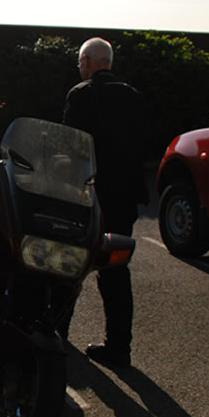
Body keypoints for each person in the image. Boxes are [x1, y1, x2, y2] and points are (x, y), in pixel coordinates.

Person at [63, 37, 148, 368]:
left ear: (87, 62)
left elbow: (72, 148)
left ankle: (56, 332)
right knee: (115, 270)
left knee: (69, 264)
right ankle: (119, 346)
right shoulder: (134, 96)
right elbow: (143, 142)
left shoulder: (81, 95)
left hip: (92, 193)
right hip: (125, 195)